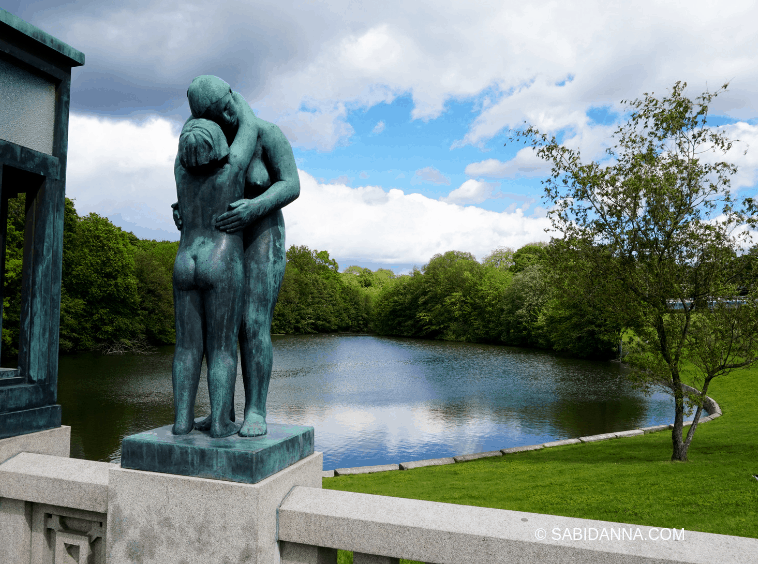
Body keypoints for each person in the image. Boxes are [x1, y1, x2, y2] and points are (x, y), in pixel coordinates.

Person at [172, 75, 300, 437]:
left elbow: (291, 184)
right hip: (220, 241)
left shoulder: (264, 133)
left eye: (229, 103)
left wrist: (254, 207)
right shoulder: (207, 140)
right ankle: (220, 413)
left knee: (251, 322)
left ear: (234, 95)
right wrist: (183, 209)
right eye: (217, 112)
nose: (228, 114)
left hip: (260, 233)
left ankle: (255, 410)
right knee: (216, 329)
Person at [172, 116, 258, 438]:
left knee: (186, 348)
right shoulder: (231, 168)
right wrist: (225, 102)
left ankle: (182, 421)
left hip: (185, 259)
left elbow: (187, 137)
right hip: (220, 258)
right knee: (222, 348)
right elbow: (247, 124)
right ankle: (221, 422)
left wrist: (193, 115)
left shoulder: (180, 172)